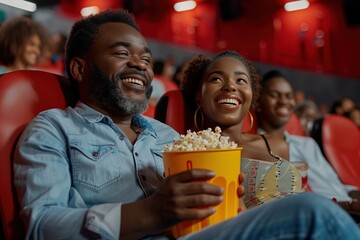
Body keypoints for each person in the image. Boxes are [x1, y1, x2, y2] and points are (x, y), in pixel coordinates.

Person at [13, 9, 360, 240]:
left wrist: (221, 205)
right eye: (122, 53)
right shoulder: (53, 129)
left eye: (146, 58)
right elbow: (41, 226)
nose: (140, 65)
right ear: (78, 68)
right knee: (310, 214)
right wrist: (148, 213)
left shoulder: (167, 135)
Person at [182, 51, 304, 209]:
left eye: (240, 80)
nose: (230, 86)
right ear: (198, 96)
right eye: (216, 79)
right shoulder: (189, 154)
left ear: (252, 96)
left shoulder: (276, 145)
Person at [255, 69, 360, 212]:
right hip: (324, 214)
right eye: (274, 95)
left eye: (288, 96)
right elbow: (294, 204)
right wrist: (349, 206)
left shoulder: (308, 143)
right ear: (258, 103)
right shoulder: (258, 149)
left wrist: (354, 195)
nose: (284, 101)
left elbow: (336, 185)